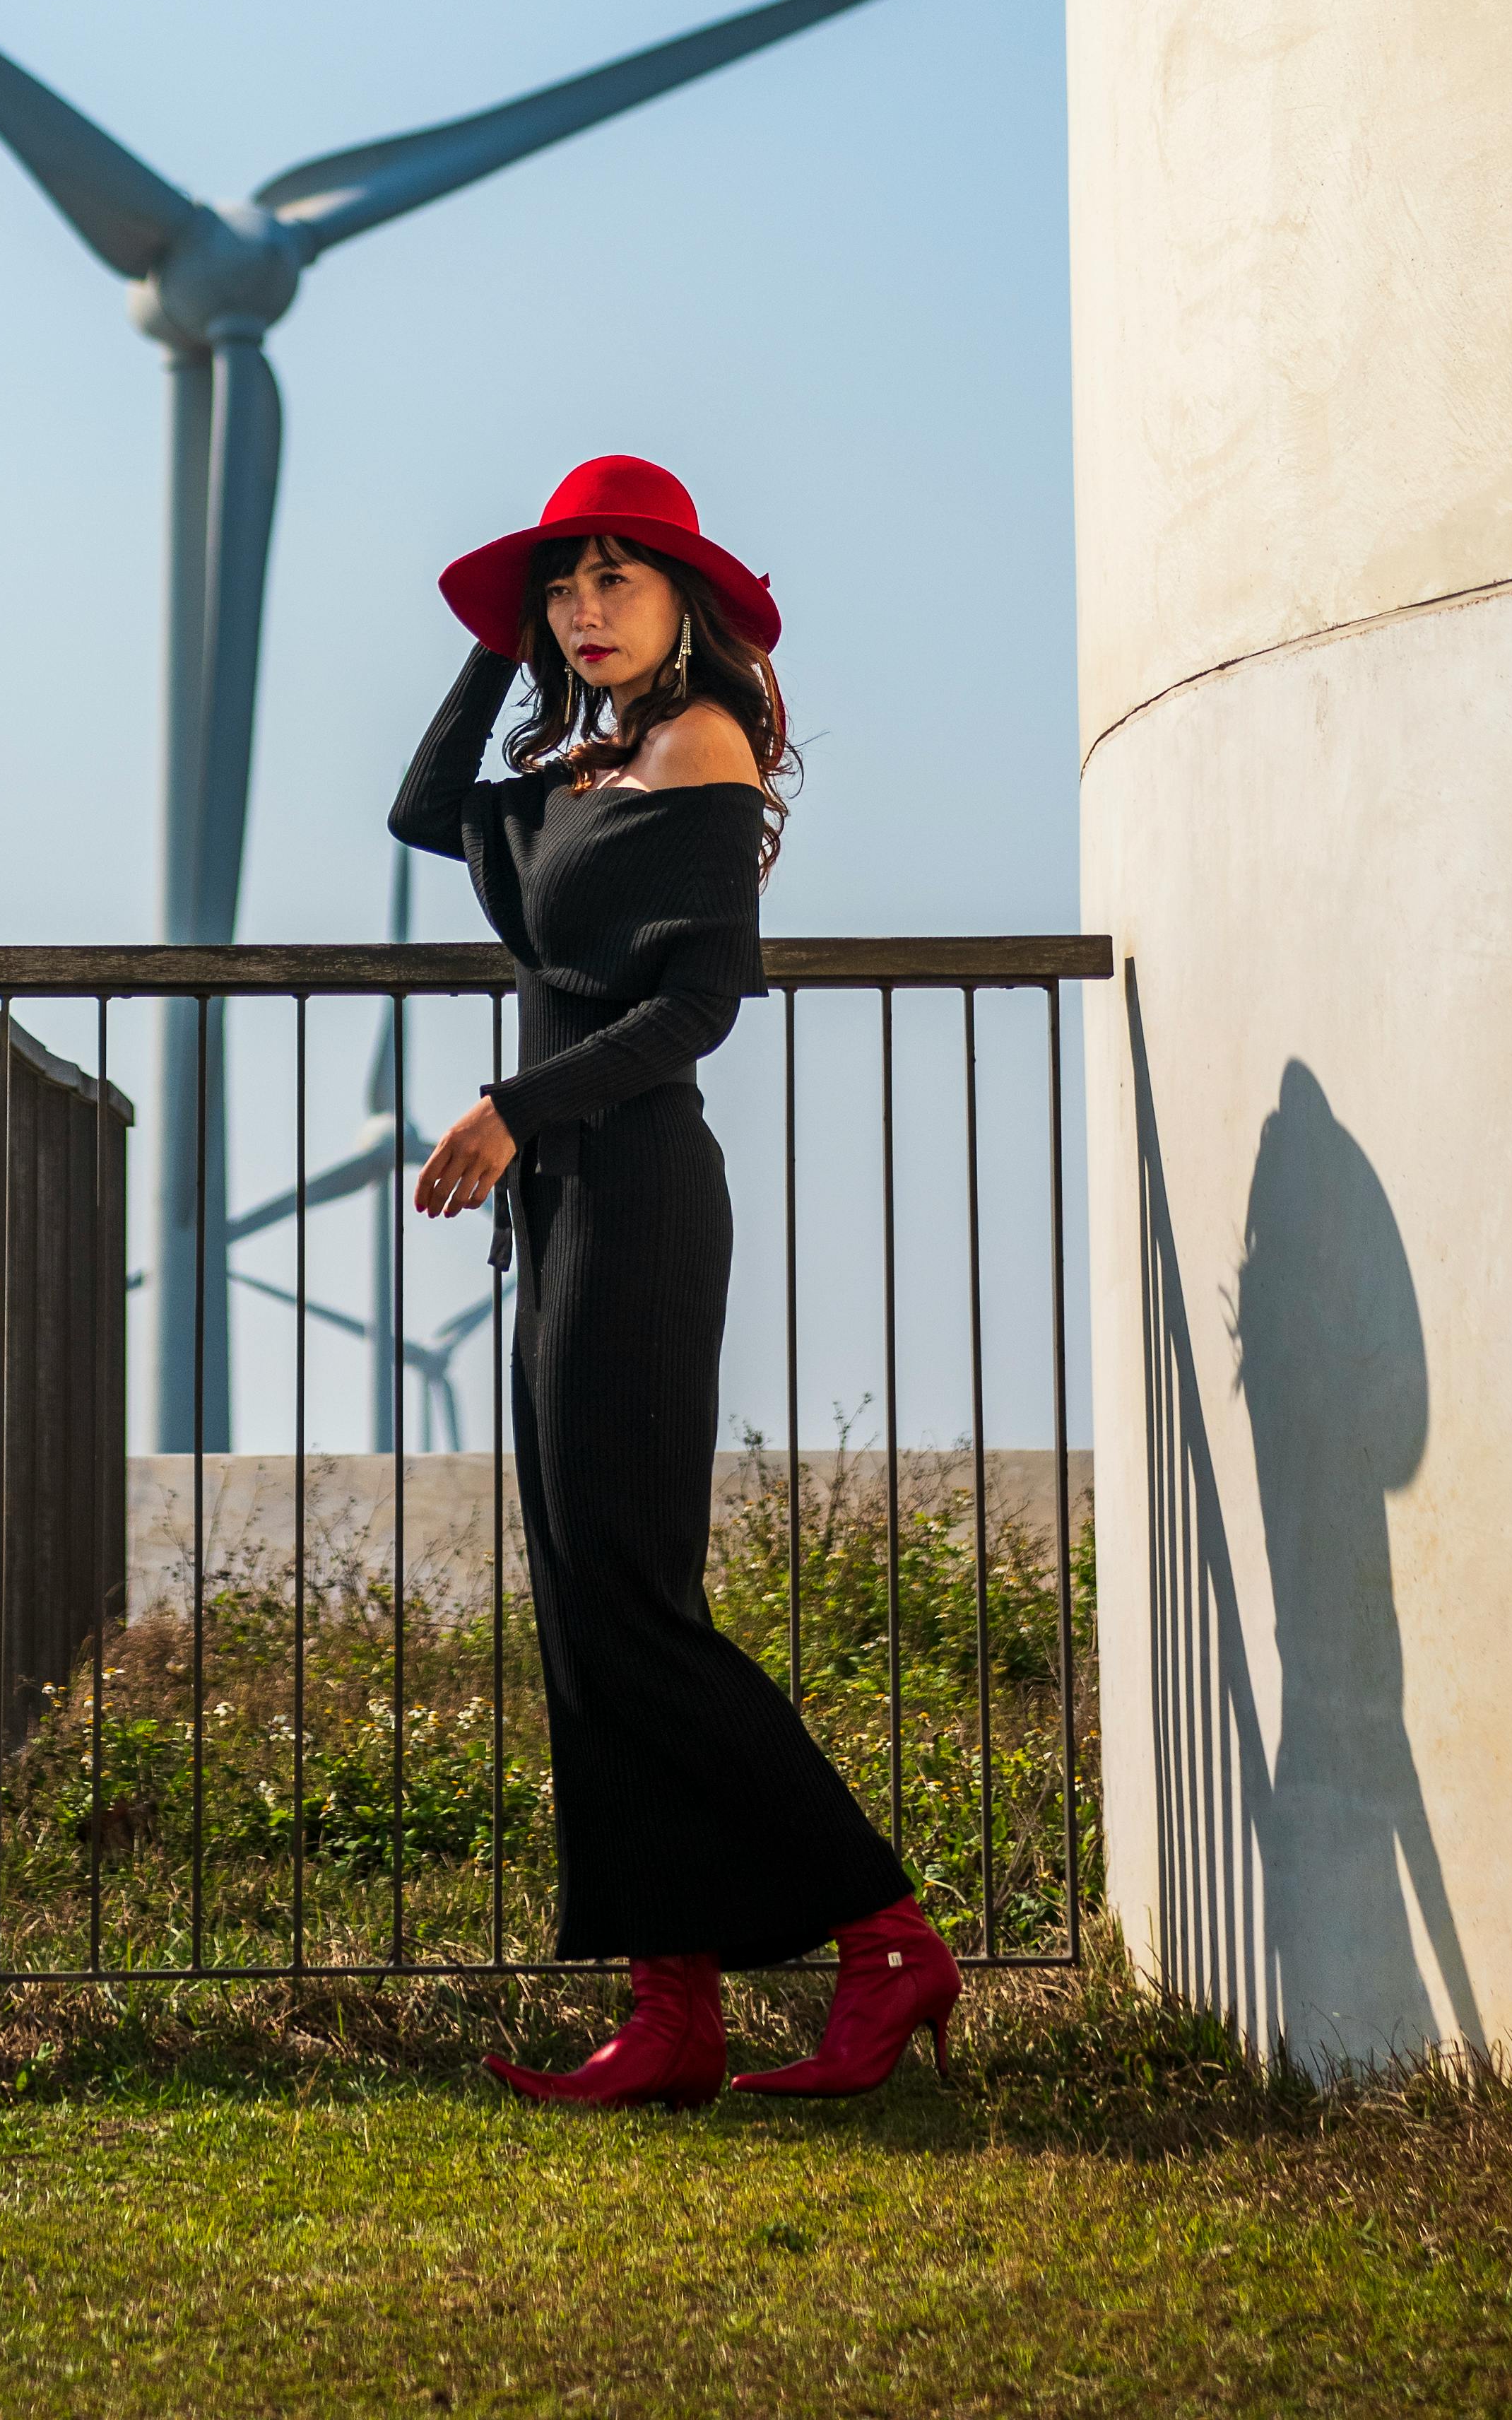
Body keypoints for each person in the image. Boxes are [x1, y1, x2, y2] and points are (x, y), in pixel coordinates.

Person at [396, 452, 962, 2111]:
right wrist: (500, 641)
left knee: (637, 1603)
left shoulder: (696, 747)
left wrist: (515, 1108)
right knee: (583, 1610)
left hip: (634, 1194)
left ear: (684, 604)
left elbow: (698, 1004)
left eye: (610, 579)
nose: (580, 606)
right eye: (558, 583)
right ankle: (672, 2007)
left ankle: (883, 1936)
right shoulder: (576, 761)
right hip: (561, 1208)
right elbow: (428, 807)